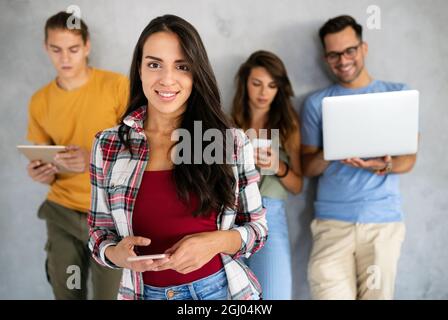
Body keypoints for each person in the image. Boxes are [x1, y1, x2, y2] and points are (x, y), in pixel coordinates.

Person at [88, 14, 267, 300]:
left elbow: (257, 230)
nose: (167, 79)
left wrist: (216, 242)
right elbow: (99, 233)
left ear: (196, 73)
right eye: (154, 64)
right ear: (140, 69)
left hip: (220, 292)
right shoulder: (108, 146)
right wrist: (115, 254)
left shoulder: (229, 142)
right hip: (142, 294)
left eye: (182, 66)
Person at [301, 15, 417, 300]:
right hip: (331, 224)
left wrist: (384, 164)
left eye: (349, 50)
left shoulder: (397, 95)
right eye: (334, 54)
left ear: (363, 48)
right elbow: (306, 167)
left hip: (382, 223)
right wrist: (333, 150)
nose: (343, 60)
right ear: (326, 58)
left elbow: (409, 160)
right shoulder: (317, 103)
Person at [26, 11, 127, 299]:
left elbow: (143, 150)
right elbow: (44, 157)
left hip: (109, 215)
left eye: (72, 49)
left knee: (109, 296)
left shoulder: (117, 87)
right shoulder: (39, 101)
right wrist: (40, 173)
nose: (65, 58)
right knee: (68, 293)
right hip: (62, 213)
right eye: (56, 49)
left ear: (87, 47)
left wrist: (92, 160)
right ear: (46, 48)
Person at [231, 50, 302, 299]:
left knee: (274, 295)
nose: (263, 93)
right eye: (257, 84)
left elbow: (297, 186)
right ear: (245, 84)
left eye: (272, 86)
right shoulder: (229, 125)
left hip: (271, 216)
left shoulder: (288, 125)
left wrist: (278, 167)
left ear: (279, 89)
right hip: (232, 219)